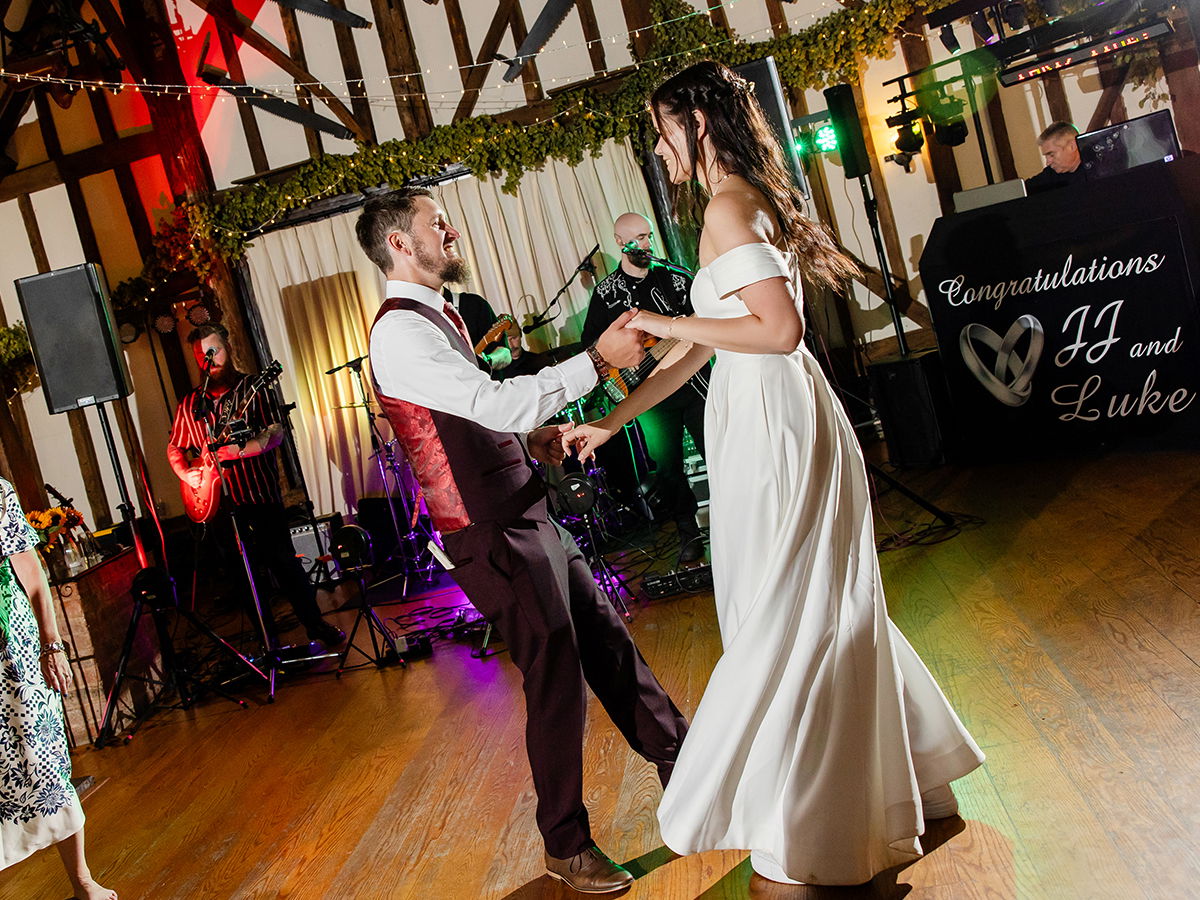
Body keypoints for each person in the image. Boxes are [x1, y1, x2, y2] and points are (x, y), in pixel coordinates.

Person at [567, 60, 985, 886]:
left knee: (784, 612)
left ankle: (812, 825)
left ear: (698, 123)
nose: (659, 148)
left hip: (774, 422)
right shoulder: (730, 204)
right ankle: (905, 779)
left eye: (663, 130)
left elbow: (779, 330)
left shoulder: (728, 207)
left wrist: (662, 318)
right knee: (812, 605)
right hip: (762, 412)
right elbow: (703, 347)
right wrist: (613, 419)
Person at [356, 187, 689, 894]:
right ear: (399, 244)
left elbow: (475, 415)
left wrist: (530, 440)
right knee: (556, 674)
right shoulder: (398, 333)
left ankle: (687, 769)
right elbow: (490, 402)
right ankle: (566, 845)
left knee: (607, 641)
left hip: (523, 505)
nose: (450, 230)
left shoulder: (438, 314)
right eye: (435, 223)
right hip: (488, 530)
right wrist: (596, 360)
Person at [167, 325, 345, 648]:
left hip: (259, 495)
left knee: (284, 563)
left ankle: (315, 624)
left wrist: (240, 450)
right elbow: (174, 447)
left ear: (228, 348)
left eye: (215, 352)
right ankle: (268, 640)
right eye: (202, 356)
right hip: (218, 506)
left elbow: (275, 433)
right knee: (241, 574)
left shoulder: (253, 387)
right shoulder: (191, 403)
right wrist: (186, 474)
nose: (210, 361)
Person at [0, 478, 116, 900]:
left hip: (12, 647)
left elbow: (30, 569)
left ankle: (82, 882)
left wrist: (51, 644)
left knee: (44, 759)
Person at [581, 212, 709, 564]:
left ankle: (737, 522)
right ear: (619, 243)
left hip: (695, 384)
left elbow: (704, 324)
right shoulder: (606, 293)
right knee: (667, 467)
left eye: (648, 235)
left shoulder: (676, 278)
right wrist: (622, 364)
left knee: (718, 451)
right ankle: (688, 533)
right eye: (638, 238)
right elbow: (591, 345)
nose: (646, 244)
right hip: (649, 395)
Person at [1025, 121, 1086, 194]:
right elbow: (1023, 189)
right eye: (1046, 156)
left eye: (1052, 155)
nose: (1047, 163)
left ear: (1072, 146)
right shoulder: (1051, 174)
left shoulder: (1095, 170)